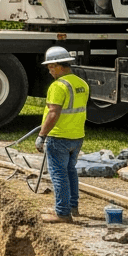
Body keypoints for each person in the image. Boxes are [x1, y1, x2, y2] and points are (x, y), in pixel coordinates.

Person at [37, 46, 89, 223]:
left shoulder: (58, 86)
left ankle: (62, 213)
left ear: (61, 65)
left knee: (59, 175)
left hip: (59, 137)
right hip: (77, 136)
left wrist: (42, 135)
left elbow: (54, 113)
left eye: (52, 67)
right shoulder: (81, 84)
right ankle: (73, 207)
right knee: (70, 171)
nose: (50, 70)